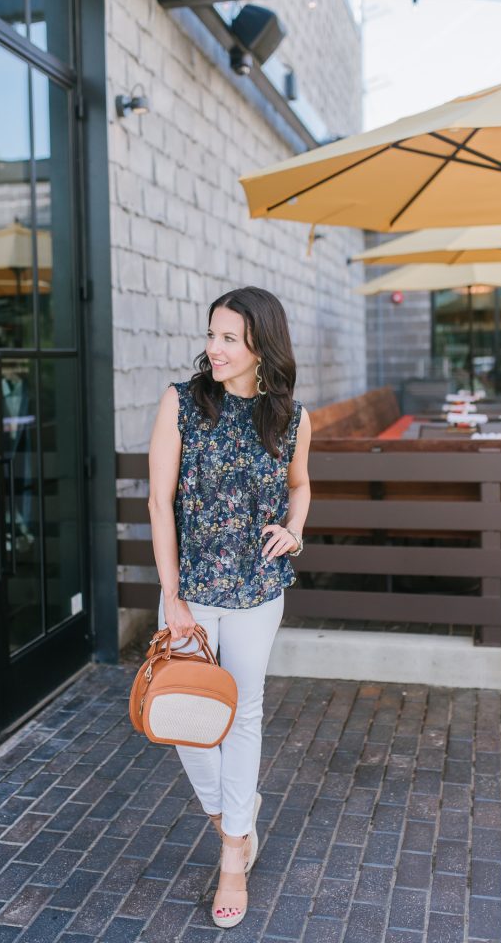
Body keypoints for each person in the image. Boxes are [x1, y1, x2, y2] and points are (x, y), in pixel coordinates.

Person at [148, 286, 311, 929]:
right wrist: (172, 595)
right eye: (211, 334)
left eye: (228, 339)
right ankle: (234, 819)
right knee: (187, 717)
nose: (213, 349)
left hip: (257, 589)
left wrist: (295, 527)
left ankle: (232, 858)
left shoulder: (292, 417)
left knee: (243, 715)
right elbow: (160, 503)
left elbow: (300, 486)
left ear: (259, 349)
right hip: (190, 594)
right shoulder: (182, 403)